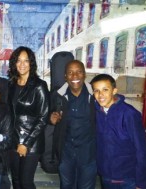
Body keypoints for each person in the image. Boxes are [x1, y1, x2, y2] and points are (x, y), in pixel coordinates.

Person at [90, 74, 146, 189]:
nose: (100, 94)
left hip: (127, 179)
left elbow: (141, 150)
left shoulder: (129, 114)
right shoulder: (96, 112)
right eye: (96, 90)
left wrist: (141, 182)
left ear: (114, 90)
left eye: (105, 90)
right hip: (106, 176)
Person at [50, 60, 96, 189]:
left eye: (79, 72)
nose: (75, 76)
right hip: (66, 152)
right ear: (65, 76)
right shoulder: (57, 95)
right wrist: (51, 118)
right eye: (70, 73)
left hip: (88, 152)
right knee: (66, 185)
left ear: (84, 74)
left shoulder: (95, 95)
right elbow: (49, 114)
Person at [8, 46, 50, 189]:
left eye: (26, 61)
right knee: (16, 181)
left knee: (26, 182)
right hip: (13, 140)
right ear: (14, 63)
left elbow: (43, 117)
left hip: (31, 143)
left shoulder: (39, 86)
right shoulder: (11, 84)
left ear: (31, 63)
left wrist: (26, 143)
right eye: (19, 61)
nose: (22, 64)